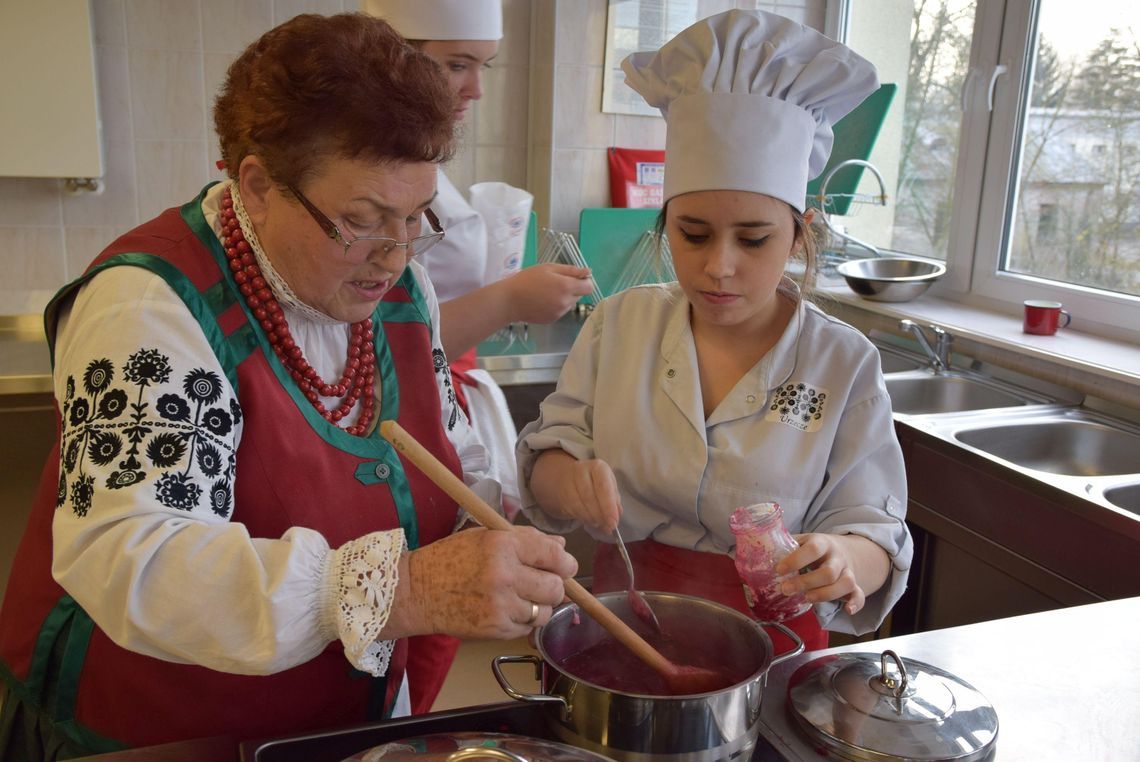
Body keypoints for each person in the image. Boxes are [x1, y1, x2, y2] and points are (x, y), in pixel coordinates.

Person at [0, 13, 576, 759]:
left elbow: (448, 454)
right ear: (258, 185)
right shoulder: (151, 308)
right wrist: (401, 591)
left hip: (336, 722)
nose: (395, 256)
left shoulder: (401, 295)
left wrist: (499, 539)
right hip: (150, 732)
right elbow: (135, 555)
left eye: (415, 217)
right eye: (364, 219)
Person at [518, 9, 913, 653]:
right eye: (692, 234)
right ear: (665, 220)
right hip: (627, 624)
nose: (717, 266)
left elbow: (874, 532)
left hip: (777, 645)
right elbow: (550, 460)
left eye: (753, 239)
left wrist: (842, 558)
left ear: (800, 232)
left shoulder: (842, 363)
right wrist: (571, 482)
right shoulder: (622, 324)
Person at [363, 0, 594, 714]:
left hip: (437, 435)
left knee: (411, 672)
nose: (475, 90)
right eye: (456, 63)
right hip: (383, 460)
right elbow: (382, 349)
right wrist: (508, 300)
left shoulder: (430, 174)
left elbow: (413, 338)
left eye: (482, 66)